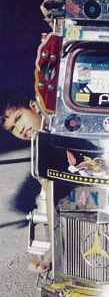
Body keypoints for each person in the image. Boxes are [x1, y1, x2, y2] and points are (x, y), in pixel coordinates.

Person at [0, 90, 51, 273]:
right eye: (12, 128)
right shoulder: (40, 147)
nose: (20, 129)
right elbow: (50, 195)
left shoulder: (57, 126)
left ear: (34, 106)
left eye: (19, 117)